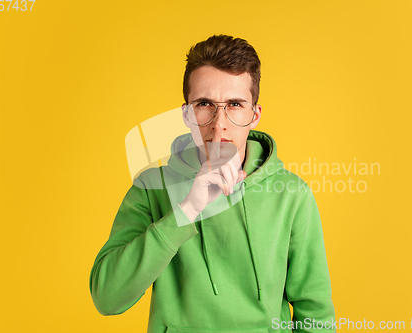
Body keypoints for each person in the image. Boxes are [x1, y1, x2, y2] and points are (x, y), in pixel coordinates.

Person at [89, 34, 336, 332]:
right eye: (204, 103)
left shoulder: (291, 194)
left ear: (254, 115)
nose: (219, 123)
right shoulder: (151, 188)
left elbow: (316, 316)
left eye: (234, 104)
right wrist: (186, 211)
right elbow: (108, 298)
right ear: (186, 114)